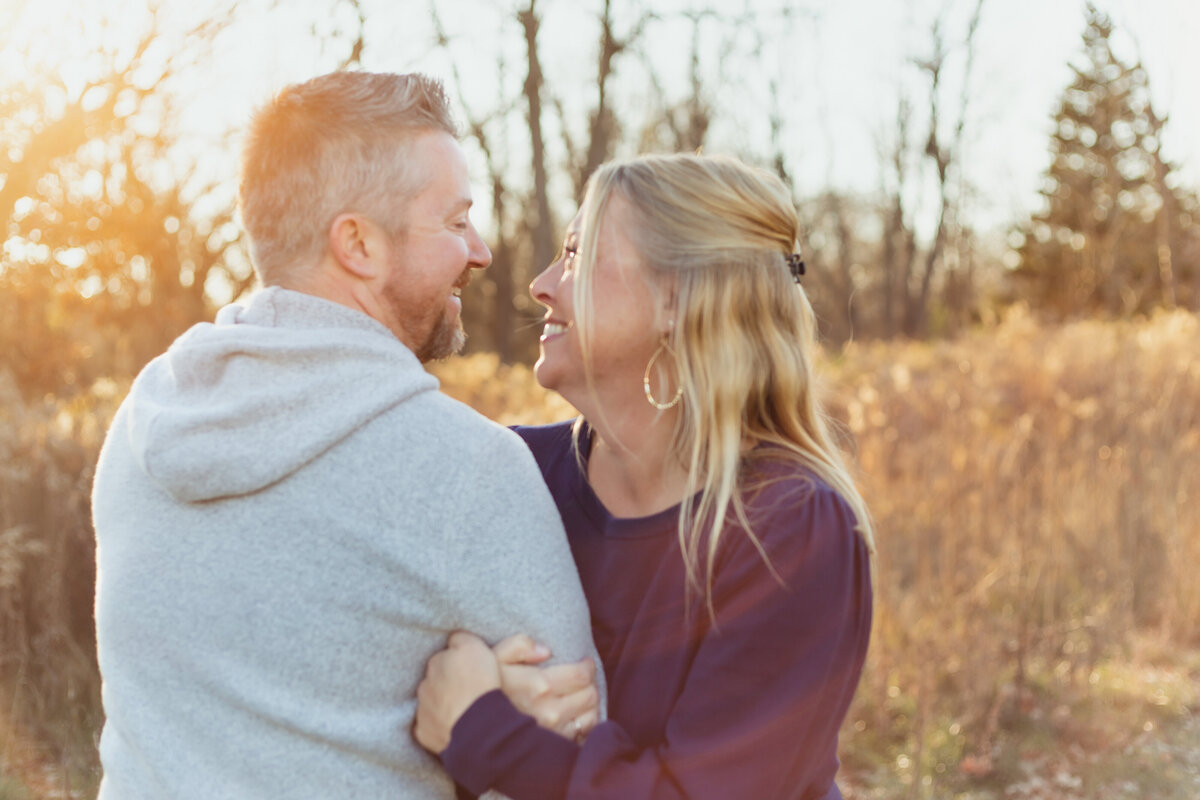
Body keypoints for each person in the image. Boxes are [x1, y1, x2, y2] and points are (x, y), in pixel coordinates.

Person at [91, 70, 600, 800]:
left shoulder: (146, 421)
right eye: (455, 221)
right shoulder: (468, 469)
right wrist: (493, 728)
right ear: (357, 243)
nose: (482, 251)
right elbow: (574, 745)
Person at [414, 153, 876, 799]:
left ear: (676, 299)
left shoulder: (790, 527)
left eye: (577, 253)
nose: (541, 284)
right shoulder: (513, 474)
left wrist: (488, 734)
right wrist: (488, 698)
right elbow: (414, 690)